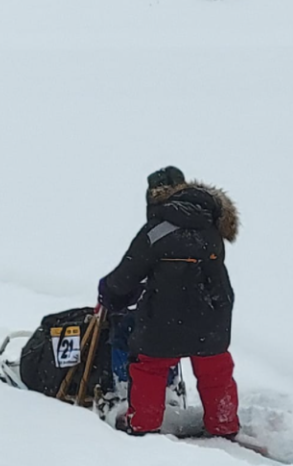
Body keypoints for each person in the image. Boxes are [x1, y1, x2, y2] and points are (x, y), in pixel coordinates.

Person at [97, 166, 240, 437]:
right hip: (213, 315)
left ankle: (143, 426)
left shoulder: (155, 232)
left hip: (163, 320)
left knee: (149, 368)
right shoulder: (212, 227)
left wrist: (109, 293)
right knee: (215, 371)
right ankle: (224, 425)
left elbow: (125, 277)